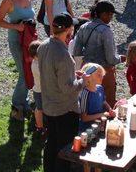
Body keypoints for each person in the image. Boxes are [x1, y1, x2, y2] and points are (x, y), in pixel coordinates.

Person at [38, 13, 84, 172]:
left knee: (51, 143)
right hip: (65, 109)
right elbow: (67, 88)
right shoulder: (63, 55)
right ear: (68, 30)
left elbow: (52, 73)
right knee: (64, 149)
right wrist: (83, 81)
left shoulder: (43, 45)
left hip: (49, 105)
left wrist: (72, 75)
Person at [0, 0, 35, 120]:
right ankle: (17, 106)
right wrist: (16, 27)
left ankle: (23, 103)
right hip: (16, 41)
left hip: (29, 40)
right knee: (24, 73)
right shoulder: (8, 0)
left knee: (29, 71)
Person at [72, 0, 124, 108]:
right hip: (103, 72)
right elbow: (110, 59)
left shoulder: (83, 27)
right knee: (107, 102)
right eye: (110, 15)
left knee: (88, 101)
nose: (111, 18)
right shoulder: (106, 31)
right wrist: (120, 59)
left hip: (87, 70)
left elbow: (76, 52)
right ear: (103, 14)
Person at [78, 63, 114, 131]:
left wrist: (110, 109)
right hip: (87, 128)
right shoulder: (85, 94)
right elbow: (84, 118)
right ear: (88, 77)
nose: (102, 77)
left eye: (102, 75)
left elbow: (103, 101)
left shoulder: (100, 88)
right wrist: (102, 114)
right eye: (99, 75)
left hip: (99, 124)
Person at [29, 40, 45, 134]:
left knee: (41, 108)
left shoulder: (38, 62)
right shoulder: (36, 65)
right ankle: (39, 126)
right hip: (39, 91)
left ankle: (42, 123)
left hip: (40, 90)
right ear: (35, 56)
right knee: (39, 109)